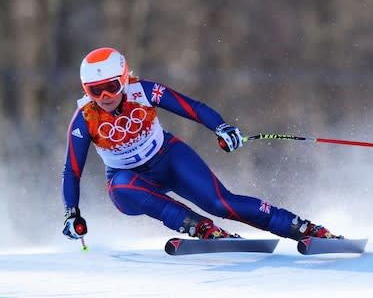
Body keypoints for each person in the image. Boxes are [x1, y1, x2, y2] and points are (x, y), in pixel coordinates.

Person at [62, 47, 342, 242]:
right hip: (131, 183)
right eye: (94, 90)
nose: (105, 96)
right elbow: (72, 171)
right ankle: (201, 228)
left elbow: (191, 108)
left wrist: (221, 128)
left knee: (221, 202)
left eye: (111, 86)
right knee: (120, 185)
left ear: (124, 79)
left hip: (168, 159)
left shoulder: (144, 91)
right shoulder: (84, 118)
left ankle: (302, 228)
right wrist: (71, 213)